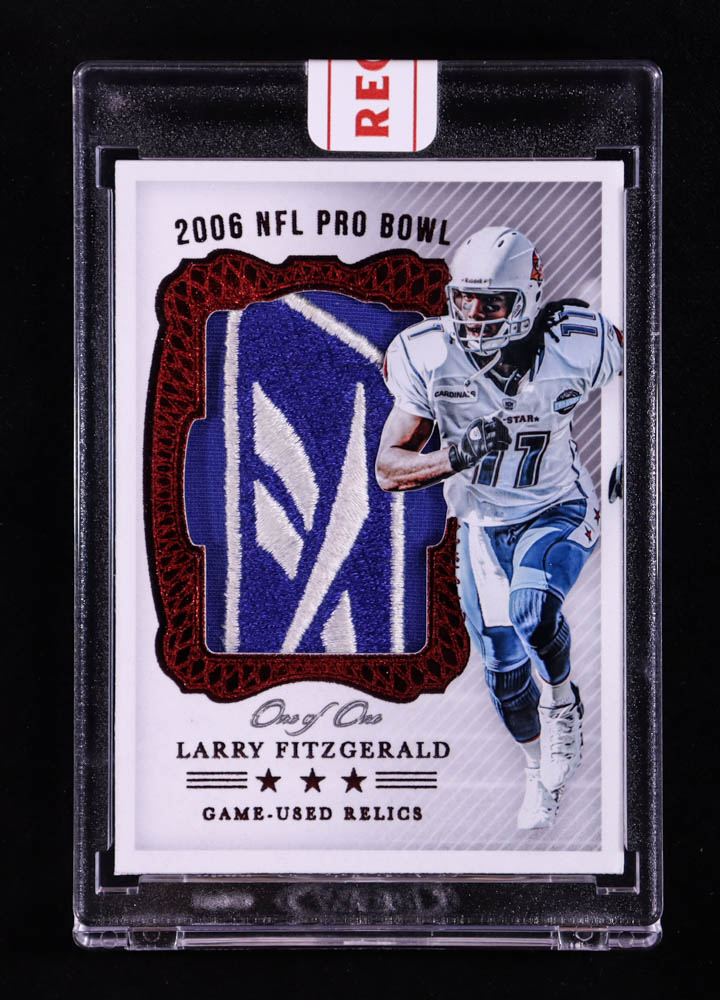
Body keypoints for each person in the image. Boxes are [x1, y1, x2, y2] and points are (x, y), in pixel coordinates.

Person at [376, 226, 623, 829]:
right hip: (483, 526)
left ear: (527, 299)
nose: (475, 315)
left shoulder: (579, 344)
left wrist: (632, 458)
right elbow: (387, 468)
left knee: (532, 610)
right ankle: (537, 770)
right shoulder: (427, 353)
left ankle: (562, 703)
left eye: (492, 302)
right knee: (504, 678)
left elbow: (652, 375)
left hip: (555, 505)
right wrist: (456, 455)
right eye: (465, 299)